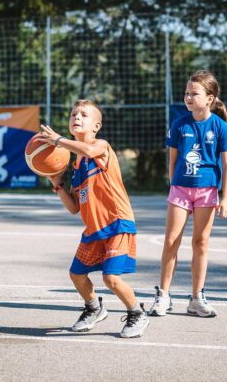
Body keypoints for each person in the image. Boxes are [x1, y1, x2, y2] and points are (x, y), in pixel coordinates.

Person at [38, 99, 149, 338]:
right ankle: (94, 308)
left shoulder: (100, 146)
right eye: (73, 113)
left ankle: (137, 313)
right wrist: (57, 185)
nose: (76, 117)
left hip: (118, 223)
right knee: (76, 275)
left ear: (96, 126)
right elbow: (74, 208)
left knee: (111, 278)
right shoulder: (77, 166)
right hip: (93, 229)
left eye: (84, 115)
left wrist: (58, 140)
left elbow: (87, 149)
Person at [148, 70, 227, 317]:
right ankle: (163, 295)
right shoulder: (179, 124)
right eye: (186, 93)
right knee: (171, 241)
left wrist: (225, 198)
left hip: (207, 191)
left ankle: (197, 297)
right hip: (180, 189)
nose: (188, 97)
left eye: (194, 93)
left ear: (209, 98)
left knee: (200, 243)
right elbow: (172, 161)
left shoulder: (220, 127)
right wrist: (174, 185)